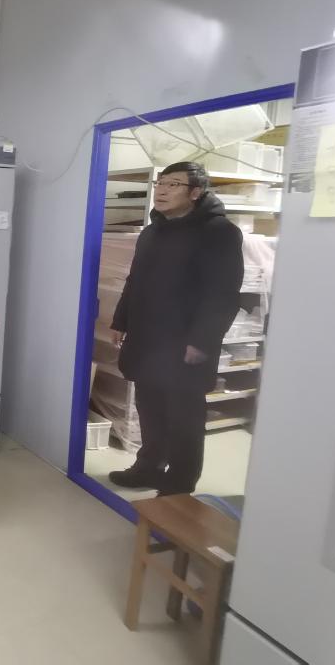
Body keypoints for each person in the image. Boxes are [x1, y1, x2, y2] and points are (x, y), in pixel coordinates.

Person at [109, 161, 244, 496]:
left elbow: (223, 295)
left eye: (173, 184)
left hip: (186, 343)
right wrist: (121, 320)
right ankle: (148, 467)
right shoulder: (152, 231)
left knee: (184, 415)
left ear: (195, 192)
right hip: (147, 339)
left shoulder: (220, 233)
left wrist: (201, 341)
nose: (162, 190)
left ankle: (180, 483)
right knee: (150, 408)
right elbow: (134, 281)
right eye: (161, 182)